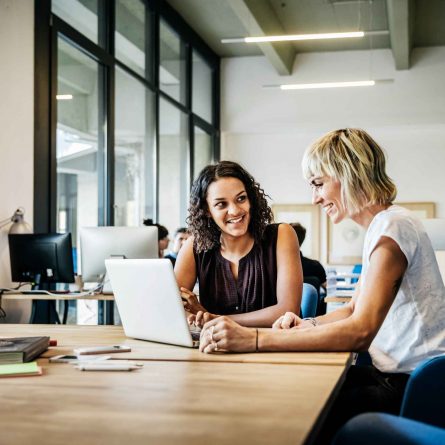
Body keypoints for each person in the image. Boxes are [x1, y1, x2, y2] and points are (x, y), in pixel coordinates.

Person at [198, 129, 445, 440]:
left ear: (349, 173)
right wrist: (307, 323)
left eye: (318, 184)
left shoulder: (392, 228)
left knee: (294, 411)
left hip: (415, 386)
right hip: (398, 377)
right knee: (296, 388)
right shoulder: (384, 226)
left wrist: (254, 339)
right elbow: (353, 308)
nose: (315, 198)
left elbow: (360, 331)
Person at [174, 160, 302, 328]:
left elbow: (287, 311)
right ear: (207, 210)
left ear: (251, 199)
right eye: (221, 204)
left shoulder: (282, 235)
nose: (234, 211)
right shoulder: (194, 247)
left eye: (241, 199)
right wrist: (194, 316)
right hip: (215, 350)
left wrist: (213, 319)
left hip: (273, 348)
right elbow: (172, 308)